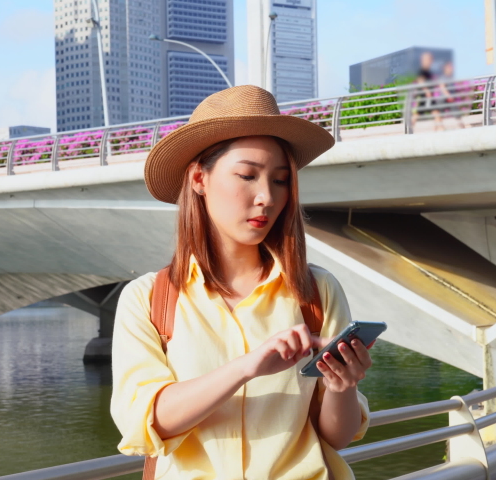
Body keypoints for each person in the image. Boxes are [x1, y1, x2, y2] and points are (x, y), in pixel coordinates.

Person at [110, 85, 372, 479]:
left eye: (281, 180)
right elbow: (147, 421)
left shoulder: (316, 292)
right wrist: (246, 367)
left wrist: (343, 386)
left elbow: (335, 437)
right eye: (247, 175)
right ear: (199, 178)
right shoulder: (148, 299)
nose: (266, 196)